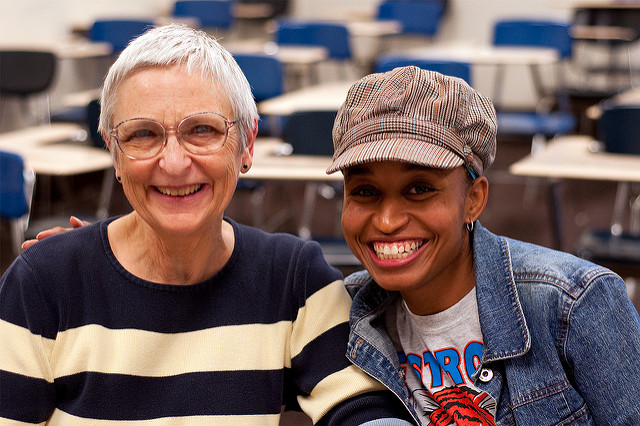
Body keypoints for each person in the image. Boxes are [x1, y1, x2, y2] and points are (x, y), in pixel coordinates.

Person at [0, 24, 414, 425]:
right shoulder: (45, 284)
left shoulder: (293, 280)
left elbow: (358, 410)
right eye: (143, 134)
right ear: (115, 153)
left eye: (202, 129)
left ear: (247, 145)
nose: (175, 163)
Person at [325, 66, 640, 425]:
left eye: (420, 189)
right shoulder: (345, 314)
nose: (386, 221)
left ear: (474, 199)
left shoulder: (574, 304)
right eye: (365, 192)